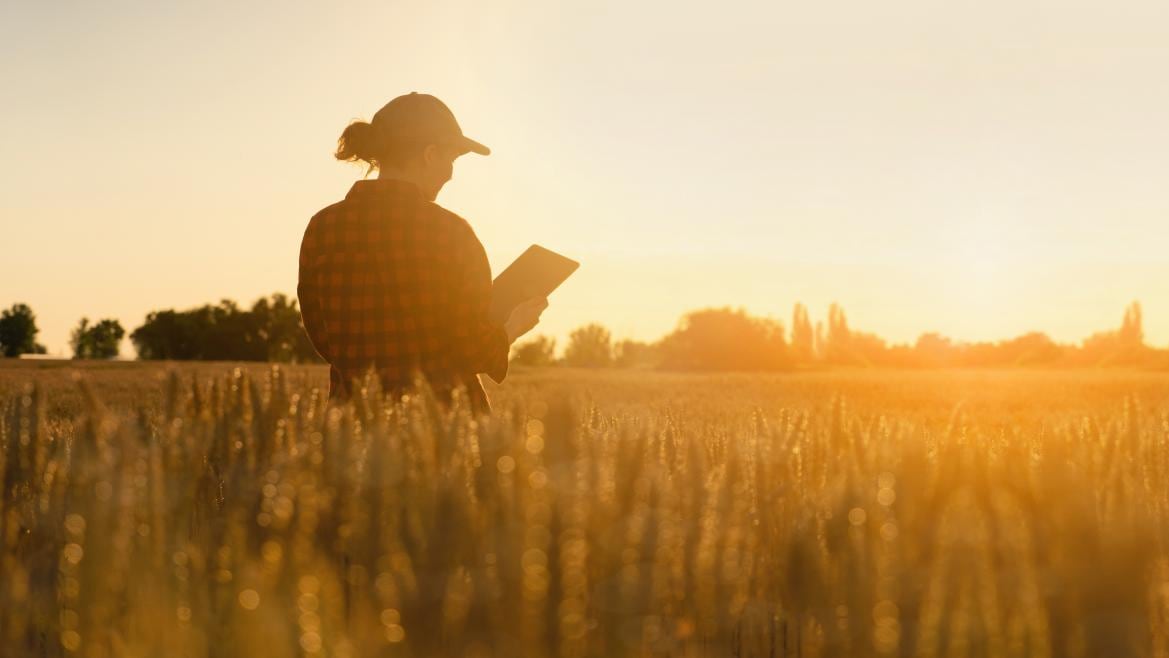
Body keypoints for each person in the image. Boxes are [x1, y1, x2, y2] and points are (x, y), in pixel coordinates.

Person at [297, 92, 548, 412]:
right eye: (451, 160)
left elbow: (324, 339)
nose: (451, 173)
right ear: (430, 154)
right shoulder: (450, 232)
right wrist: (512, 327)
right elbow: (473, 348)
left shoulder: (321, 228)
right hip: (443, 428)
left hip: (351, 427)